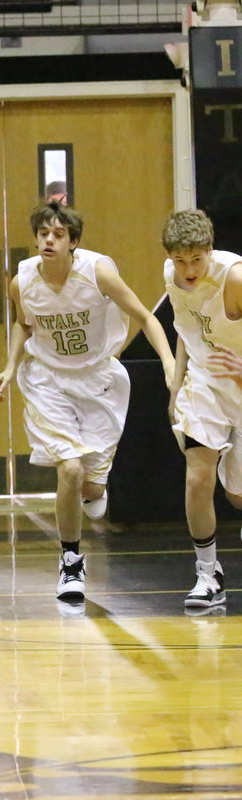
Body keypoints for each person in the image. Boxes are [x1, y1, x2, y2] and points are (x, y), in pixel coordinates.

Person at [0, 201, 175, 603]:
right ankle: (71, 562)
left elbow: (146, 317)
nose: (49, 241)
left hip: (98, 378)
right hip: (47, 380)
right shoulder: (22, 282)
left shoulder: (98, 272)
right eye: (43, 234)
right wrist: (9, 368)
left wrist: (169, 363)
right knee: (70, 471)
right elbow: (24, 327)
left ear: (73, 242)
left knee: (90, 488)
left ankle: (98, 488)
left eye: (58, 235)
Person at [160, 209, 242, 609]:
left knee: (238, 495)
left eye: (196, 259)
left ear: (210, 250)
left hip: (241, 381)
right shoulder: (170, 275)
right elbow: (184, 328)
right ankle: (208, 574)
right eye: (180, 260)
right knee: (197, 478)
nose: (188, 270)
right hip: (204, 382)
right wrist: (177, 384)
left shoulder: (235, 276)